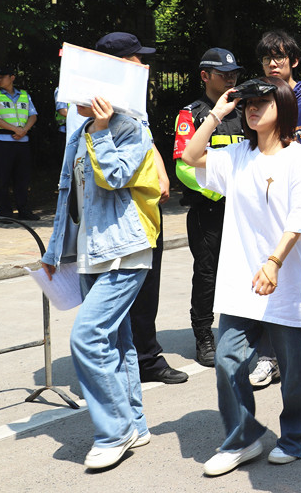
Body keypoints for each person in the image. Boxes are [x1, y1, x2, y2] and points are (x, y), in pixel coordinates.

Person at [181, 77, 301, 476]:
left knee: (294, 371)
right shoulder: (237, 155)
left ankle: (298, 436)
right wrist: (215, 114)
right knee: (227, 359)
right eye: (248, 104)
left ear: (284, 106)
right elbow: (191, 155)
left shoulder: (298, 159)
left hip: (285, 281)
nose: (252, 108)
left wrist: (274, 262)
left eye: (262, 102)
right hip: (241, 282)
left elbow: (300, 220)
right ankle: (243, 437)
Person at [39, 87, 161, 468]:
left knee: (87, 337)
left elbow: (115, 177)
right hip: (91, 253)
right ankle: (135, 424)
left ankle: (114, 431)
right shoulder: (79, 134)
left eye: (76, 87)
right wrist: (54, 252)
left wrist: (104, 129)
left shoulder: (131, 129)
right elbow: (68, 197)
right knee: (117, 342)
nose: (67, 97)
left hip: (126, 249)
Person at [93, 32, 187, 385]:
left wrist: (161, 175)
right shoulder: (92, 105)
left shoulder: (131, 98)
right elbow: (92, 165)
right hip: (118, 215)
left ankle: (144, 357)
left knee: (147, 287)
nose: (143, 65)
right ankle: (128, 361)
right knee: (122, 290)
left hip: (145, 211)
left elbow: (145, 142)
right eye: (137, 58)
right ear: (118, 63)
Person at [253, 29, 301, 380]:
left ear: (294, 61)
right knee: (272, 275)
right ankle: (269, 356)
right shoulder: (259, 98)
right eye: (267, 58)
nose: (273, 63)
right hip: (270, 206)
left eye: (280, 57)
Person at [173, 48, 244, 368]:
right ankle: (203, 335)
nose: (230, 78)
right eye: (223, 74)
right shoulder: (191, 114)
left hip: (242, 209)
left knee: (243, 270)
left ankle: (242, 330)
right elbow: (183, 167)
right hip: (208, 209)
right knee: (207, 274)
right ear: (205, 76)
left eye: (234, 73)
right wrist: (218, 192)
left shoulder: (246, 110)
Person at [0, 66, 39, 220]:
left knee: (22, 178)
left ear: (12, 78)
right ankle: (5, 213)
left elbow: (33, 115)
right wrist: (16, 129)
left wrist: (24, 130)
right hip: (4, 141)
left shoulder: (24, 95)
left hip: (23, 141)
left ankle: (24, 210)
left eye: (2, 77)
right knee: (3, 178)